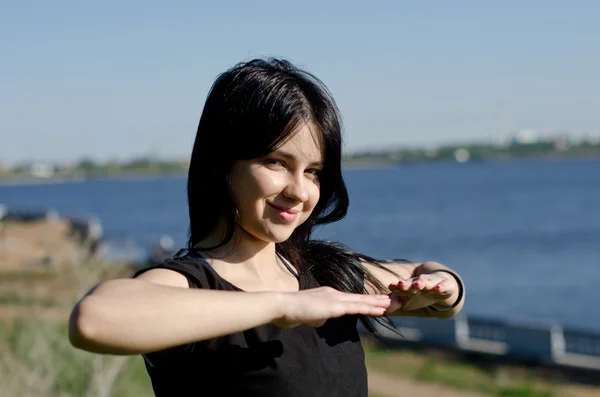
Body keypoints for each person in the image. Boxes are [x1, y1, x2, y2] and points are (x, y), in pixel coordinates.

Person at [68, 58, 466, 397]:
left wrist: (445, 287)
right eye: (276, 162)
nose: (299, 191)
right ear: (224, 164)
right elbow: (94, 320)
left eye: (312, 172)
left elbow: (428, 280)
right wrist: (283, 305)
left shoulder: (324, 274)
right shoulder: (192, 285)